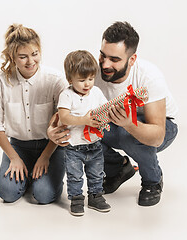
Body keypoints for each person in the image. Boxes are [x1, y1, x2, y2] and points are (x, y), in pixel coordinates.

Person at [48, 21, 178, 207]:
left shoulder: (149, 78)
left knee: (127, 135)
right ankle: (118, 168)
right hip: (114, 122)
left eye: (115, 60)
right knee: (80, 134)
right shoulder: (92, 72)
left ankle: (152, 180)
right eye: (103, 56)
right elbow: (67, 105)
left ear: (132, 60)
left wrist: (129, 124)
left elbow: (157, 137)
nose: (105, 64)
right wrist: (52, 131)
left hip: (161, 127)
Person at [0, 24, 68, 204]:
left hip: (51, 147)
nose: (30, 61)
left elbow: (63, 125)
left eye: (35, 54)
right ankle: (29, 173)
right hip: (18, 147)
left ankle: (44, 179)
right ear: (12, 57)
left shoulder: (55, 80)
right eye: (22, 57)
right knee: (7, 194)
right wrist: (14, 158)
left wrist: (45, 156)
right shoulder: (0, 82)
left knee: (43, 196)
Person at [57, 50, 110, 216]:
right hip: (74, 147)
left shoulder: (97, 93)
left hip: (94, 144)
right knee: (75, 176)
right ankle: (76, 199)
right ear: (70, 79)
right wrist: (84, 120)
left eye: (91, 78)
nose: (87, 84)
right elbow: (64, 117)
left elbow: (106, 110)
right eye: (82, 80)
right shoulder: (67, 95)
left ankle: (95, 196)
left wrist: (104, 120)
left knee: (96, 173)